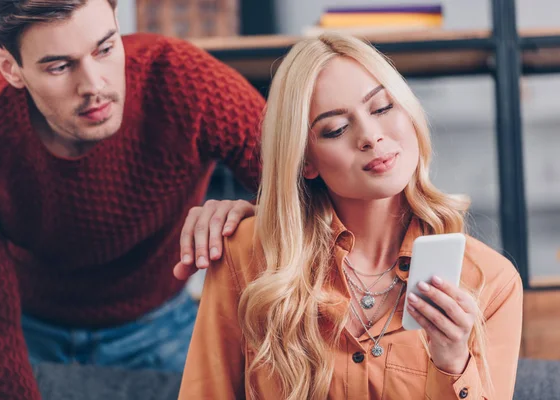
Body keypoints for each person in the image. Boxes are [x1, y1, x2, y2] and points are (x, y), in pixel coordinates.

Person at [179, 33, 523, 400]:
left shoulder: (490, 282)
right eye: (336, 129)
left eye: (382, 108)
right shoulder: (243, 255)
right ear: (306, 160)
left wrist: (453, 365)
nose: (371, 137)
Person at [0, 0, 264, 399]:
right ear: (9, 68)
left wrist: (257, 215)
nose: (95, 85)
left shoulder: (185, 79)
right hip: (29, 331)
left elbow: (307, 191)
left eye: (105, 49)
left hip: (160, 324)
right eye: (59, 66)